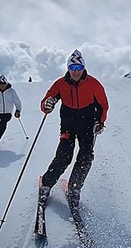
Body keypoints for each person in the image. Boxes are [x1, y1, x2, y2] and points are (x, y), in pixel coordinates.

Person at [38, 49, 109, 209]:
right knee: (64, 156)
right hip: (68, 125)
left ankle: (74, 189)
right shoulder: (60, 84)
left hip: (87, 126)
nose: (75, 72)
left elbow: (103, 105)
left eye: (78, 68)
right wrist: (47, 105)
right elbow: (47, 101)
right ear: (68, 68)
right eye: (72, 68)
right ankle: (46, 185)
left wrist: (100, 122)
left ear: (83, 68)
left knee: (86, 156)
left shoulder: (93, 84)